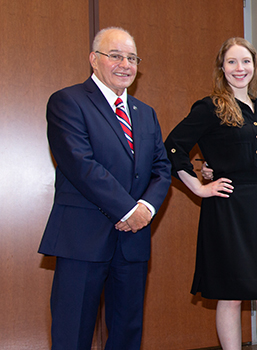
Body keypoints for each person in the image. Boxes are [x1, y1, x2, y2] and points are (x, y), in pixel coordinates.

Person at [39, 27, 171, 349]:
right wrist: (129, 209)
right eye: (115, 56)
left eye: (132, 58)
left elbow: (161, 169)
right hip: (82, 238)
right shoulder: (67, 102)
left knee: (127, 333)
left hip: (133, 242)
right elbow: (81, 165)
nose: (125, 64)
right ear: (94, 60)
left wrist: (145, 210)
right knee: (73, 334)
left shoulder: (145, 113)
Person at [164, 37, 257, 350]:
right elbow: (173, 147)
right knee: (231, 296)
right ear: (222, 67)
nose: (239, 68)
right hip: (227, 208)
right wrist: (199, 186)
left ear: (254, 66)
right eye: (232, 61)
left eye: (245, 61)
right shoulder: (210, 107)